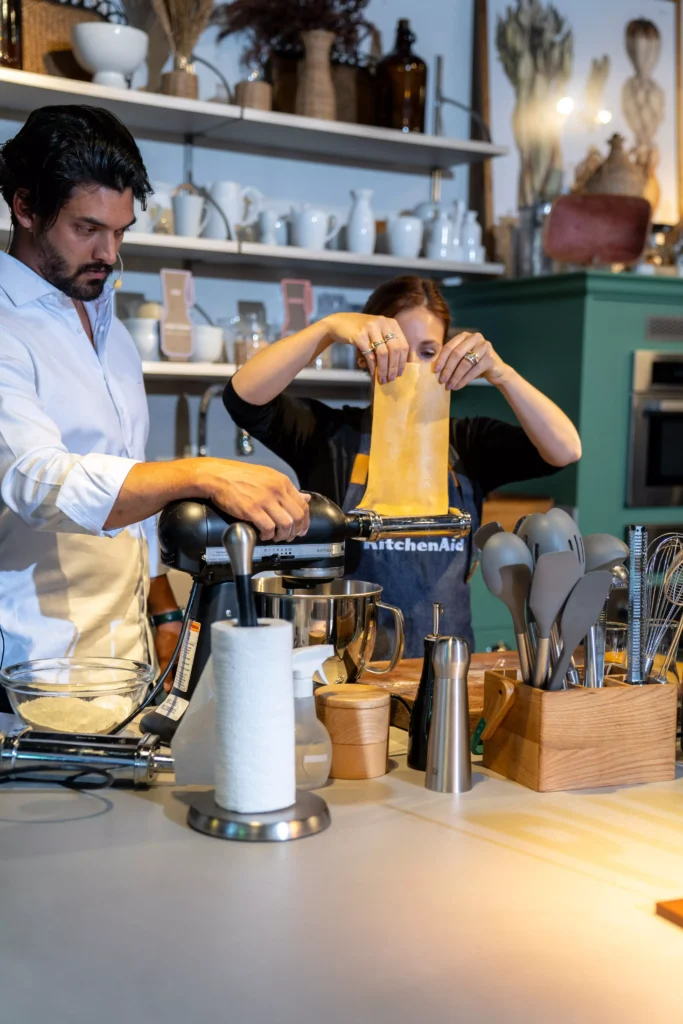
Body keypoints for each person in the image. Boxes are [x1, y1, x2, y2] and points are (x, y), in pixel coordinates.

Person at [0, 105, 309, 688]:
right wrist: (200, 472)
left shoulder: (111, 330)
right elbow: (37, 481)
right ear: (26, 207)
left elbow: (127, 490)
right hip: (28, 668)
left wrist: (162, 611)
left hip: (123, 660)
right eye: (87, 229)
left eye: (120, 231)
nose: (108, 253)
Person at [223, 276, 582, 656]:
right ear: (364, 355)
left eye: (428, 352)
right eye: (393, 349)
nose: (411, 367)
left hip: (447, 664)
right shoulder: (329, 435)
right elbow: (243, 398)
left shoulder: (469, 442)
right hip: (348, 667)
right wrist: (328, 329)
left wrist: (500, 372)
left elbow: (565, 450)